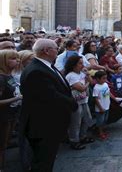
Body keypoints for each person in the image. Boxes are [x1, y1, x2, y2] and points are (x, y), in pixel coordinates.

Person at [20, 39, 78, 171]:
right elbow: (50, 96)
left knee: (47, 160)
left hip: (50, 123)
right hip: (43, 125)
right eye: (56, 48)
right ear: (46, 51)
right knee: (43, 162)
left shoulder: (46, 66)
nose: (58, 50)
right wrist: (72, 103)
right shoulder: (36, 70)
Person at [64, 55, 94, 150]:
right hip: (75, 102)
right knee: (76, 122)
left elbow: (91, 82)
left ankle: (83, 136)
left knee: (86, 118)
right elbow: (81, 88)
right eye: (80, 63)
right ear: (73, 65)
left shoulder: (81, 73)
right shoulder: (71, 75)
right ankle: (74, 140)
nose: (82, 65)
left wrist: (87, 75)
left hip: (83, 100)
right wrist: (86, 83)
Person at [0, 50, 22, 171]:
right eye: (13, 58)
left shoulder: (9, 75)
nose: (17, 61)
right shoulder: (1, 78)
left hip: (10, 114)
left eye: (18, 58)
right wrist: (16, 98)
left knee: (4, 144)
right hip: (3, 116)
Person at [93, 71, 112, 141]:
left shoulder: (105, 84)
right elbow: (96, 99)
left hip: (107, 106)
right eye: (103, 78)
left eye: (106, 78)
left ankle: (103, 130)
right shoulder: (96, 88)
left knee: (105, 120)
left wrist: (115, 98)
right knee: (100, 121)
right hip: (100, 108)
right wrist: (100, 108)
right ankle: (100, 132)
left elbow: (109, 93)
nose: (105, 80)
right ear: (98, 79)